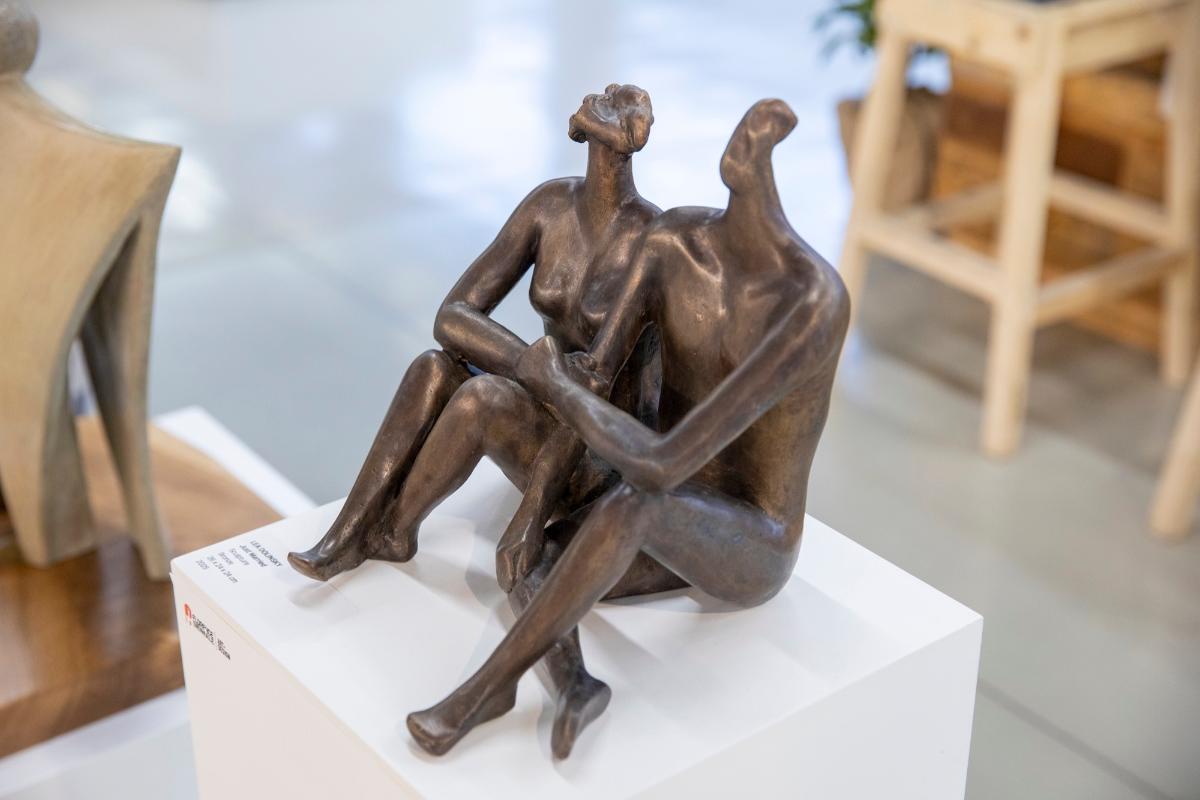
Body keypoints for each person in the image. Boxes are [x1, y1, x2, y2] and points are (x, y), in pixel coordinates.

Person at [402, 98, 851, 758]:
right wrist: (534, 506)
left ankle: (485, 690)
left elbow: (662, 464)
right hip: (654, 487)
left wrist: (550, 379)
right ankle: (575, 685)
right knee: (537, 554)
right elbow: (594, 380)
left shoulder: (811, 305)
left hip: (752, 535)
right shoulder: (671, 244)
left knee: (634, 504)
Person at [289, 83, 664, 758]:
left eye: (618, 143)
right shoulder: (550, 206)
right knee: (433, 369)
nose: (609, 154)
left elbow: (612, 391)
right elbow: (454, 314)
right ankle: (361, 530)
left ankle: (392, 528)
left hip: (598, 446)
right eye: (601, 138)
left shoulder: (650, 241)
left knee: (481, 400)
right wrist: (532, 366)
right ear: (584, 137)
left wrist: (538, 492)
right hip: (549, 398)